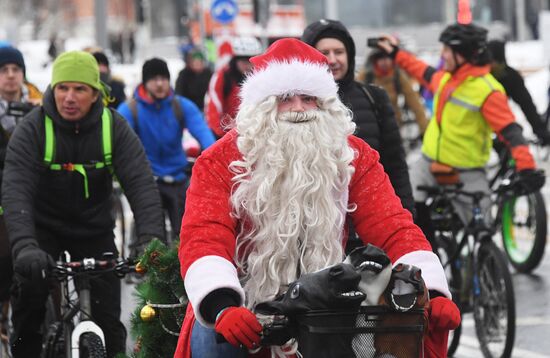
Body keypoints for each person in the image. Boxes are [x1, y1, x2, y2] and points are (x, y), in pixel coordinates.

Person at [175, 38, 460, 358]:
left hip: (329, 307)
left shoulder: (352, 157)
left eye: (308, 97)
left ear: (325, 104)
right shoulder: (221, 160)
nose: (298, 108)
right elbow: (204, 235)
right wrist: (221, 305)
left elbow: (393, 227)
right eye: (284, 98)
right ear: (263, 106)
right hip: (243, 303)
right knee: (210, 345)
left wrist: (431, 290)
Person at [2, 50, 164, 357]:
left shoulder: (112, 127)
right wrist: (24, 246)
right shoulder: (33, 128)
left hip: (94, 231)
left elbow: (141, 184)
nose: (69, 97)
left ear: (95, 93)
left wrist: (150, 238)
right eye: (63, 88)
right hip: (42, 230)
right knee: (30, 305)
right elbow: (16, 189)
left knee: (109, 323)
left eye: (80, 89)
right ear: (53, 90)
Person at [375, 23, 544, 236]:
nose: (442, 55)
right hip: (429, 164)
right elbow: (419, 69)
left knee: (483, 232)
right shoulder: (445, 78)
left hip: (468, 172)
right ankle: (429, 252)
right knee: (405, 207)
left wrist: (526, 167)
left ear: (462, 55)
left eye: (447, 50)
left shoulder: (488, 91)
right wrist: (396, 53)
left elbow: (511, 132)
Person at [301, 20, 415, 217]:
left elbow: (395, 165)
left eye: (339, 51)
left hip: (370, 219)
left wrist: (406, 215)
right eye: (324, 53)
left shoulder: (374, 98)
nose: (333, 59)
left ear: (350, 55)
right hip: (316, 221)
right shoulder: (295, 103)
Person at [117, 58, 215, 240]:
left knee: (188, 234)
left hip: (178, 176)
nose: (160, 84)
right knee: (149, 238)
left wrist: (213, 158)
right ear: (145, 82)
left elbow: (203, 134)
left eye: (164, 78)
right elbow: (121, 143)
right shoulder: (130, 110)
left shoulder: (181, 106)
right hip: (147, 180)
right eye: (154, 79)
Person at [0, 45, 42, 329]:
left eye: (16, 70)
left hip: (38, 197)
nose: (11, 76)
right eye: (4, 70)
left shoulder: (42, 107)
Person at [487, 39, 550, 145]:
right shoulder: (481, 77)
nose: (492, 65)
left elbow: (526, 105)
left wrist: (540, 131)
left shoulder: (510, 77)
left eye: (496, 62)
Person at [357, 48, 428, 134]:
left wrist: (424, 129)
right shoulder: (366, 75)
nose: (385, 62)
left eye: (388, 58)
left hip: (394, 124)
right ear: (375, 60)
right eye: (381, 58)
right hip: (371, 125)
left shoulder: (397, 75)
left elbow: (414, 100)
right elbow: (355, 99)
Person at [205, 36, 262, 138]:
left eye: (251, 62)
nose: (248, 66)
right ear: (235, 60)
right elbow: (213, 107)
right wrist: (223, 136)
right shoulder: (222, 76)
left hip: (256, 134)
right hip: (229, 135)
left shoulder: (262, 76)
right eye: (244, 62)